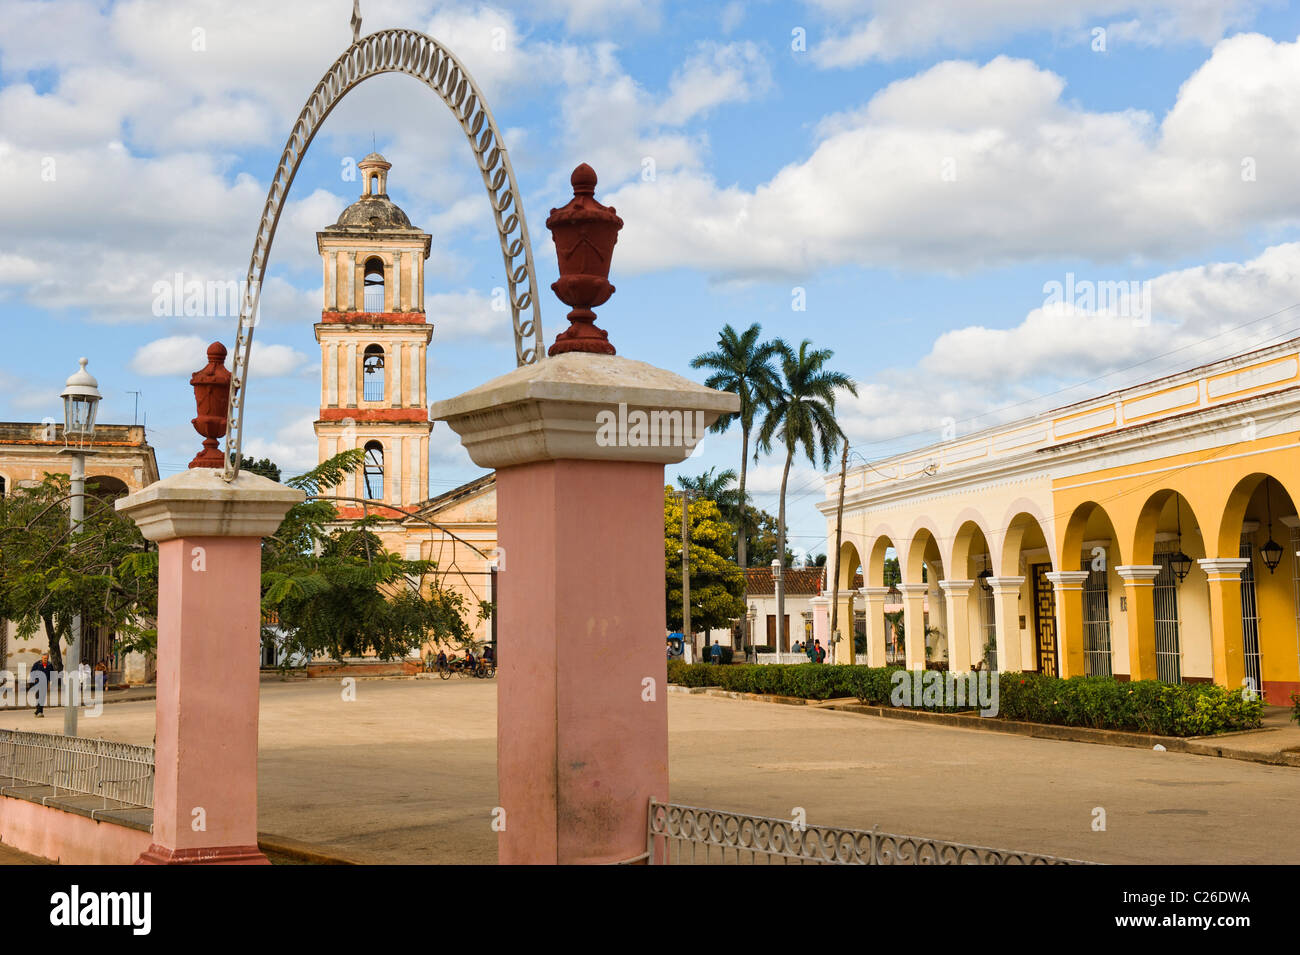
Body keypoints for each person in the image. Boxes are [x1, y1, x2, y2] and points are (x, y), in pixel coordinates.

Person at [28, 651, 53, 718]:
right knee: (38, 697)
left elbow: (52, 674)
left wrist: (50, 680)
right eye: (44, 658)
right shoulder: (37, 664)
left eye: (47, 658)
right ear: (42, 658)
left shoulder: (50, 665)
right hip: (37, 683)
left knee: (42, 697)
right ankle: (39, 712)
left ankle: (38, 712)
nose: (45, 660)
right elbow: (32, 672)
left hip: (45, 683)